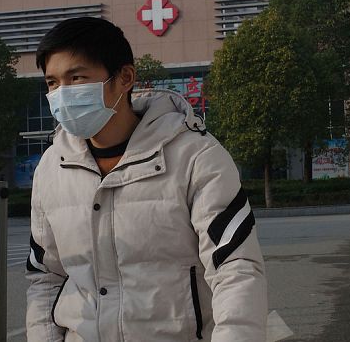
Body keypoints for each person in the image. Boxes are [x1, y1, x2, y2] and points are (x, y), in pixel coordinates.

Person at [25, 17, 267, 341]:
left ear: (125, 78)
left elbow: (235, 268)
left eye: (77, 78)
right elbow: (45, 277)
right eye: (52, 83)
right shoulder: (52, 169)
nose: (62, 95)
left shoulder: (195, 156)